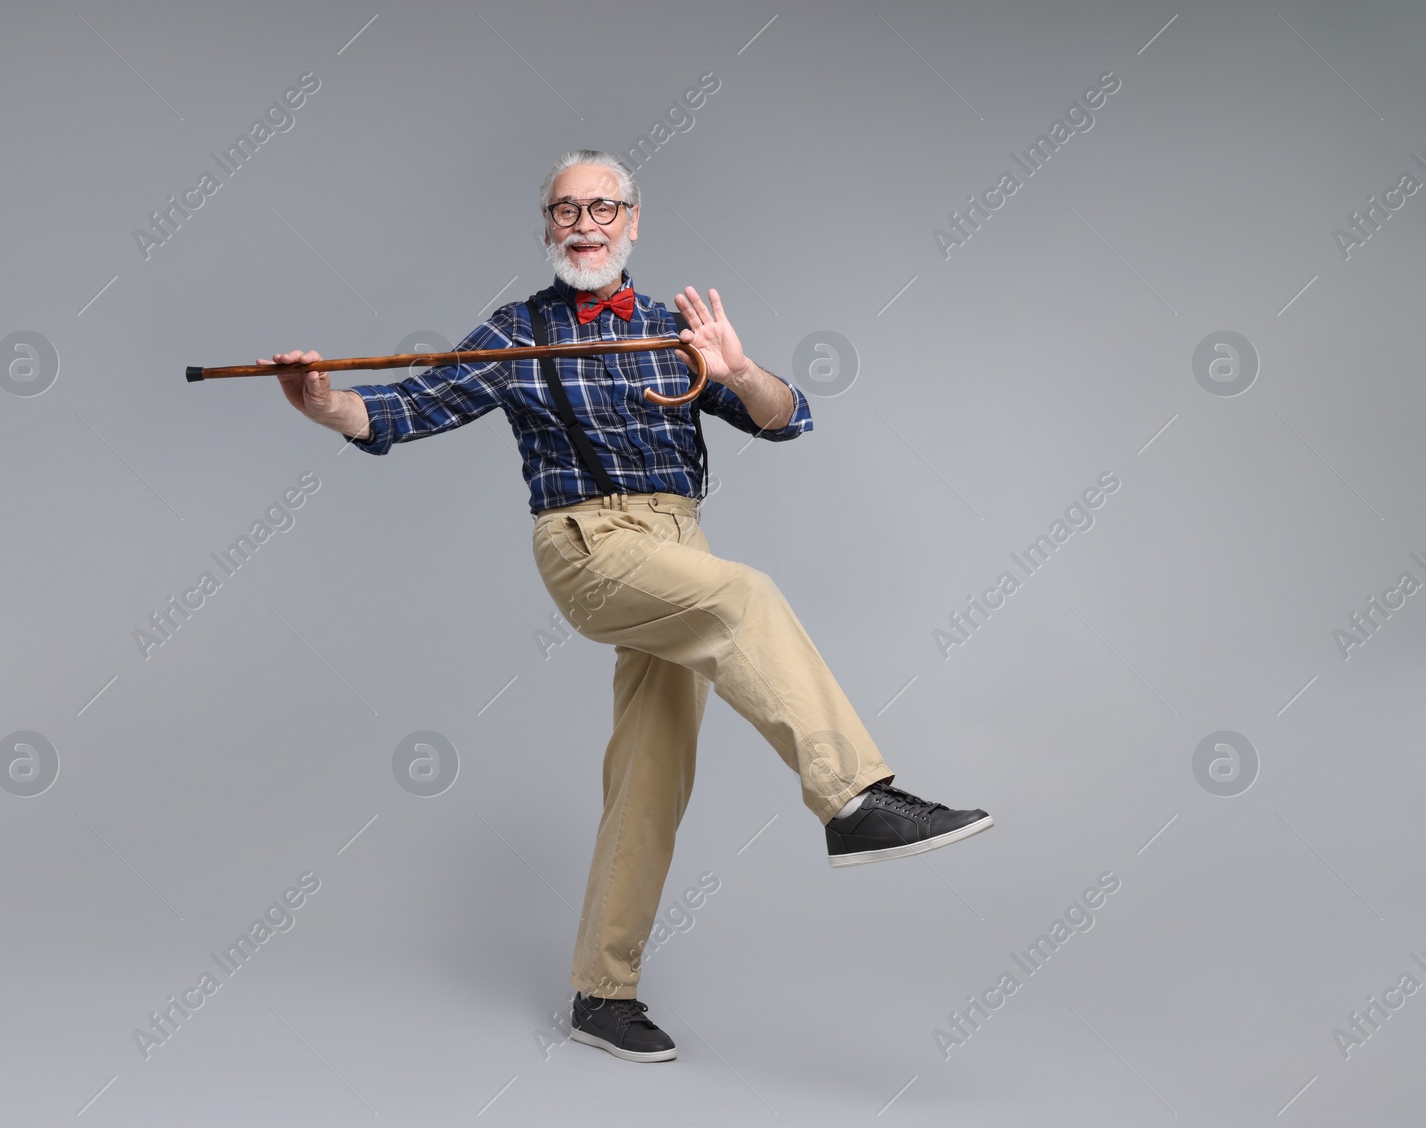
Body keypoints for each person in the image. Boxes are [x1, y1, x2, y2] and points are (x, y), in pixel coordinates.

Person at [261, 149, 992, 1063]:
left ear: (634, 222)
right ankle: (853, 799)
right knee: (748, 596)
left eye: (604, 207)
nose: (586, 222)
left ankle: (602, 997)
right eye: (567, 209)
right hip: (591, 548)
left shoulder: (670, 326)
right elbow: (404, 411)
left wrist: (734, 370)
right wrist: (326, 405)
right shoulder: (515, 333)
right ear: (547, 227)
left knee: (649, 780)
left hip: (679, 544)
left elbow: (786, 417)